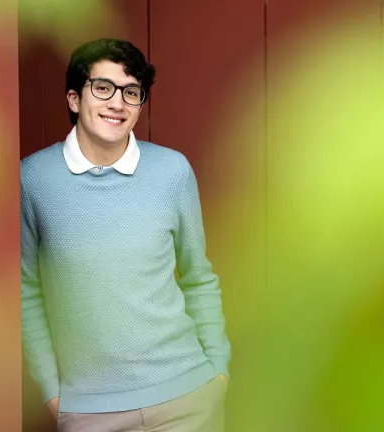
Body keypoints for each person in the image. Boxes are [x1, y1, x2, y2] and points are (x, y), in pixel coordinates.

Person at [21, 38, 231, 432]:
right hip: (90, 411)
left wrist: (218, 368)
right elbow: (26, 293)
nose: (118, 102)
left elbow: (198, 277)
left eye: (131, 92)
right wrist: (51, 390)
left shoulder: (173, 172)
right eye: (103, 87)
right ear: (73, 99)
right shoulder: (33, 179)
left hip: (188, 396)